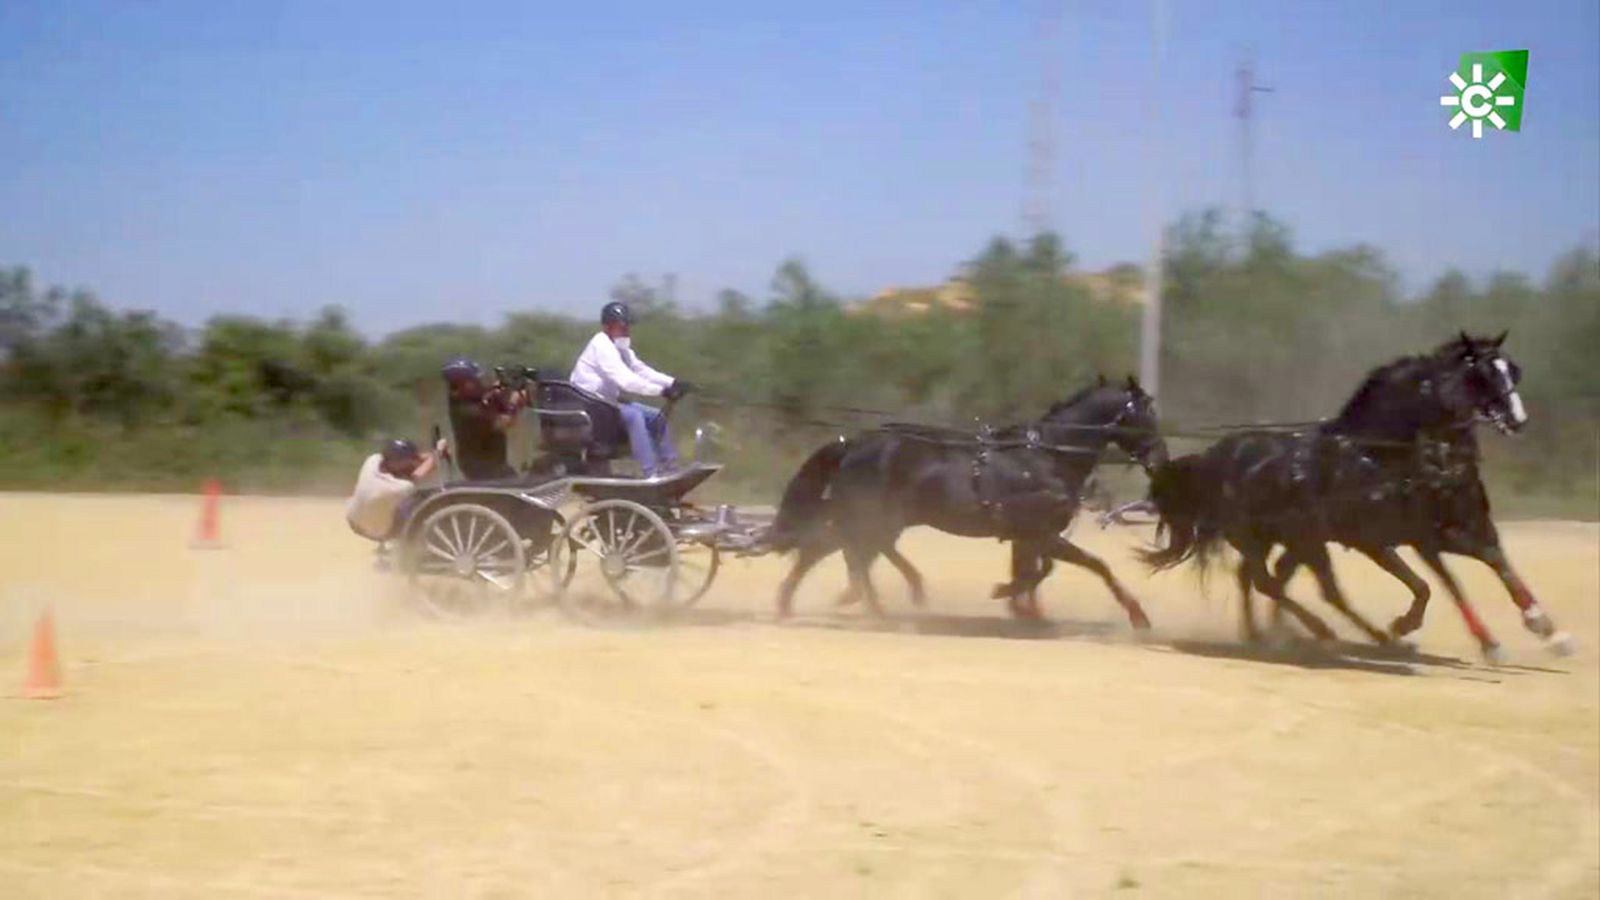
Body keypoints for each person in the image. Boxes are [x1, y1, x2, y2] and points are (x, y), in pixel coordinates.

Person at [570, 301, 692, 478]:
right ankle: (650, 472)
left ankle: (670, 466)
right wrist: (660, 391)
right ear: (607, 326)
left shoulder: (620, 348)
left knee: (656, 416)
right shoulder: (601, 345)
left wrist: (672, 383)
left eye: (627, 325)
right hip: (590, 406)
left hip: (605, 404)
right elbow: (626, 381)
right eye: (621, 325)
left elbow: (640, 369)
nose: (626, 329)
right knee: (634, 416)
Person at [345, 438, 446, 541]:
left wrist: (434, 454)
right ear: (396, 462)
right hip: (374, 531)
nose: (411, 462)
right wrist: (437, 454)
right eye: (407, 460)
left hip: (354, 519)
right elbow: (419, 473)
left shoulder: (372, 460)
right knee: (418, 503)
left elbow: (415, 459)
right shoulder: (400, 487)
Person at [443, 357, 523, 481]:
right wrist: (514, 403)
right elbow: (504, 423)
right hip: (483, 469)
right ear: (460, 384)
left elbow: (486, 395)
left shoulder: (462, 398)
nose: (479, 382)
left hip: (487, 464)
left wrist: (501, 387)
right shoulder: (467, 411)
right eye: (474, 380)